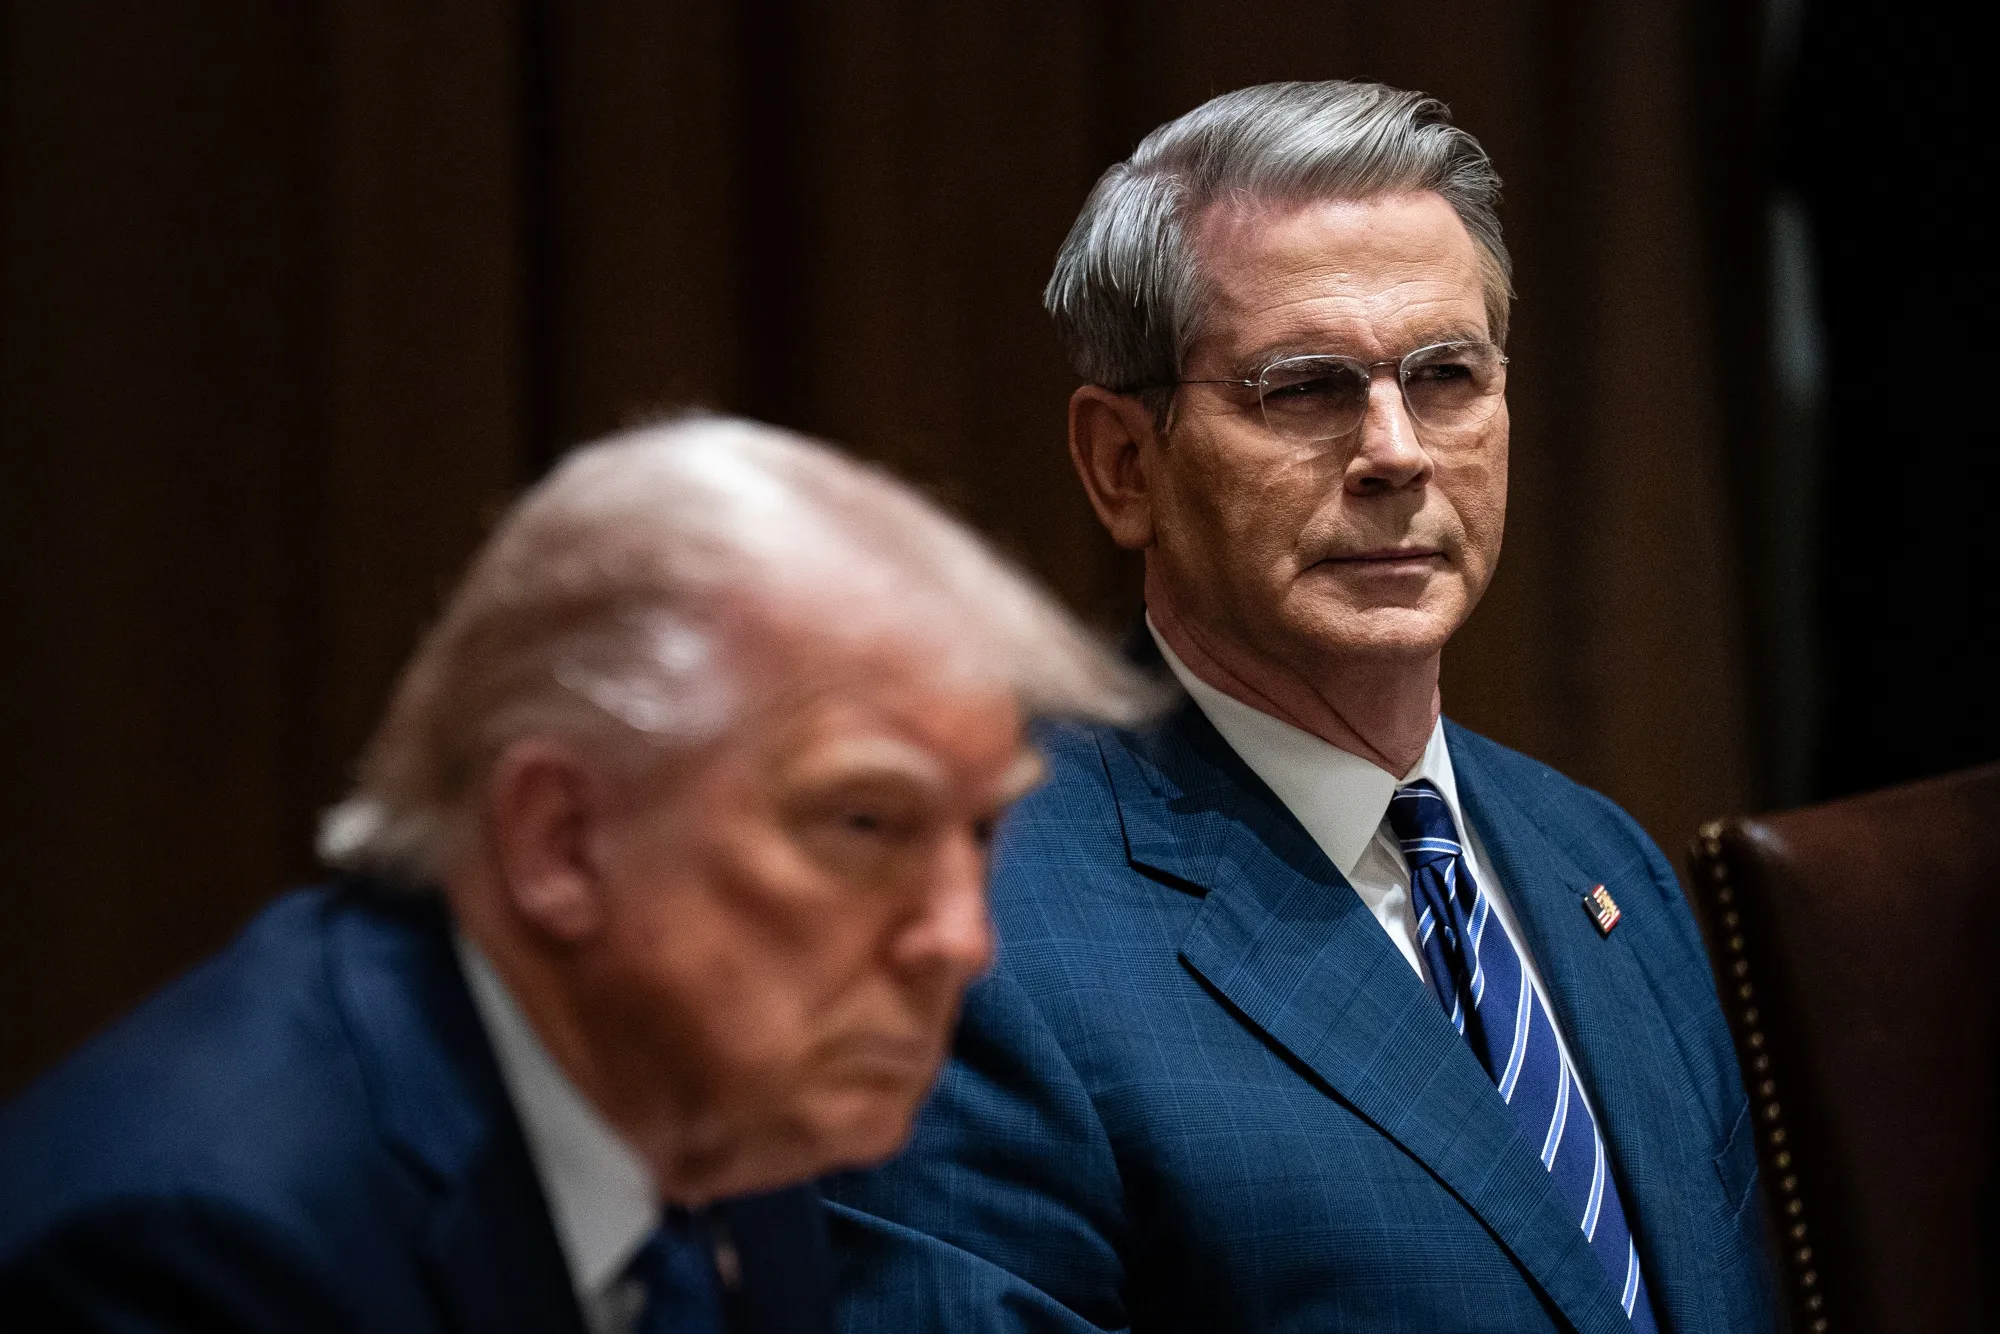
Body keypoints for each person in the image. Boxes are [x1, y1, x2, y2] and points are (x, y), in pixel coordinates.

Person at [825, 82, 1773, 1332]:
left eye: (1445, 373)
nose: (1396, 449)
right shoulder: (966, 931)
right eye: (1305, 388)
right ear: (1123, 463)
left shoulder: (1604, 865)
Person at [0, 415, 1156, 1333]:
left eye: (979, 833)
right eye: (861, 821)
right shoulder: (198, 1246)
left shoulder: (725, 1119)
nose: (960, 937)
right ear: (558, 839)